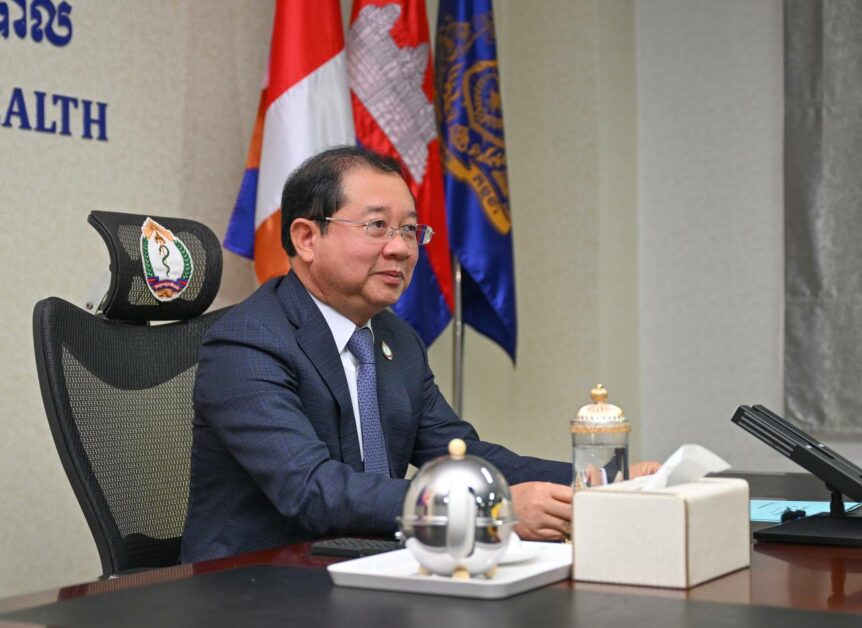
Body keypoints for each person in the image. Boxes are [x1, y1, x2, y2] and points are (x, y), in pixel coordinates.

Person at [181, 146, 656, 563]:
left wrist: (600, 481)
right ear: (307, 238)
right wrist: (491, 508)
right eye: (377, 226)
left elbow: (460, 455)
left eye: (409, 230)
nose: (401, 249)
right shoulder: (248, 341)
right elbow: (313, 490)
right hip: (255, 584)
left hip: (368, 568)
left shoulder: (395, 338)